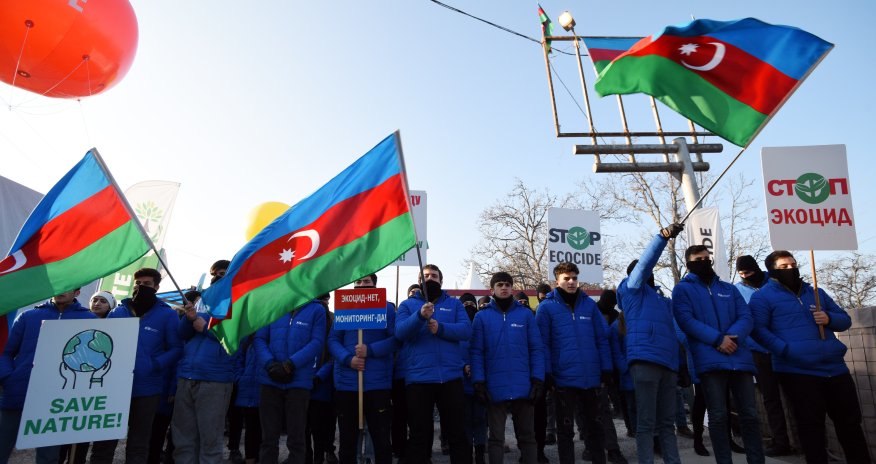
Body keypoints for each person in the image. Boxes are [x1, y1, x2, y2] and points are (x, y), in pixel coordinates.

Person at [750, 251, 871, 464]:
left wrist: (828, 318)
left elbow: (844, 320)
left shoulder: (816, 292)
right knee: (811, 428)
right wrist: (786, 350)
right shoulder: (762, 297)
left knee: (850, 424)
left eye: (793, 264)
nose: (791, 269)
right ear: (772, 270)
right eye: (784, 266)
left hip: (835, 368)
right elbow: (758, 330)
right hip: (797, 371)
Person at [672, 245, 764, 464]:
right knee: (718, 416)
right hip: (710, 360)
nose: (704, 262)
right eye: (698, 259)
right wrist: (717, 340)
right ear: (689, 264)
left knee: (750, 415)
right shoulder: (682, 290)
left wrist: (732, 338)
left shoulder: (729, 289)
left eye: (707, 258)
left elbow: (746, 316)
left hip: (739, 358)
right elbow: (686, 321)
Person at [94, 269, 184, 464]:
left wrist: (154, 364)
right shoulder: (117, 312)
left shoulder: (167, 315)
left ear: (157, 287)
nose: (141, 287)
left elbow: (176, 348)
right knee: (104, 441)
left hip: (147, 388)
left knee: (139, 442)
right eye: (138, 283)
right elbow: (103, 342)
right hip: (114, 386)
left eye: (147, 284)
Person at [0, 289, 96, 463]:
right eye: (59, 286)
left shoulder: (89, 320)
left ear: (77, 292)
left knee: (48, 456)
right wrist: (8, 377)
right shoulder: (28, 316)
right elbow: (6, 352)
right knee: (2, 445)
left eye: (68, 288)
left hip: (57, 398)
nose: (62, 291)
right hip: (18, 391)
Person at [616, 224, 684, 464]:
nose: (648, 273)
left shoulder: (663, 301)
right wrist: (662, 238)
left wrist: (681, 364)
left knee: (668, 423)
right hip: (645, 362)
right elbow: (644, 265)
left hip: (669, 364)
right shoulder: (631, 290)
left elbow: (676, 333)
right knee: (646, 423)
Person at [536, 262, 613, 464]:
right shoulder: (546, 308)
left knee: (595, 428)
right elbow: (542, 344)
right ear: (556, 282)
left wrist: (606, 368)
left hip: (591, 377)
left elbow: (602, 339)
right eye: (566, 279)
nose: (571, 282)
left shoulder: (589, 305)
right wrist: (547, 373)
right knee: (565, 430)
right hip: (563, 379)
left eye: (574, 278)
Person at [395, 264, 471, 464]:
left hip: (450, 377)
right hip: (419, 378)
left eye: (434, 276)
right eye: (426, 275)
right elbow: (400, 333)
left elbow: (465, 330)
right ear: (420, 281)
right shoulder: (406, 305)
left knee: (457, 433)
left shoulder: (454, 304)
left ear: (441, 280)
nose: (430, 278)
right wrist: (419, 316)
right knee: (419, 435)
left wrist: (441, 328)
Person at [470, 272, 544, 464]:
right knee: (495, 439)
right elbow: (476, 352)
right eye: (500, 284)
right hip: (495, 387)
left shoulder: (526, 315)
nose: (504, 288)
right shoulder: (481, 317)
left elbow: (536, 348)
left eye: (507, 285)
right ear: (492, 289)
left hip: (524, 386)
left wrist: (537, 379)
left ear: (512, 288)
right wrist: (478, 382)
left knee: (528, 437)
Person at [328, 274, 398, 464]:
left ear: (374, 284)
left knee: (382, 440)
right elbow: (333, 340)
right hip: (348, 385)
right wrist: (348, 359)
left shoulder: (387, 309)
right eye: (358, 282)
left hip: (377, 385)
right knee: (347, 442)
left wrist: (371, 350)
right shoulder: (344, 307)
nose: (361, 285)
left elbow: (395, 340)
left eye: (366, 281)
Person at [172, 260, 236, 464]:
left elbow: (236, 340)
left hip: (215, 379)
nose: (217, 276)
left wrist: (205, 328)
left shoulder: (241, 301)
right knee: (183, 439)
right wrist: (188, 317)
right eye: (215, 273)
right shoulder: (202, 300)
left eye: (223, 273)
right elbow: (183, 334)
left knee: (210, 439)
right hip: (187, 375)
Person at [253, 294, 326, 464]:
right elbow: (259, 338)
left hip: (299, 381)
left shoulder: (317, 309)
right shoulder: (272, 305)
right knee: (268, 438)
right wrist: (270, 364)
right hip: (269, 379)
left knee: (296, 437)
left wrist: (290, 365)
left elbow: (317, 342)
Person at [733, 255, 792, 457]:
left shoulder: (777, 282)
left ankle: (801, 439)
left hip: (785, 348)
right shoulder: (738, 290)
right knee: (771, 399)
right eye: (741, 274)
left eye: (748, 272)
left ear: (756, 269)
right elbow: (742, 322)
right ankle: (781, 441)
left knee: (796, 395)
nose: (745, 276)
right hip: (759, 352)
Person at [307, 294, 337, 464]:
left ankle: (325, 452)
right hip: (303, 379)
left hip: (324, 383)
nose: (324, 302)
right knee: (304, 425)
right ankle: (306, 456)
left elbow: (333, 352)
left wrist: (319, 376)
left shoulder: (332, 319)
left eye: (326, 299)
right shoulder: (304, 317)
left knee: (323, 425)